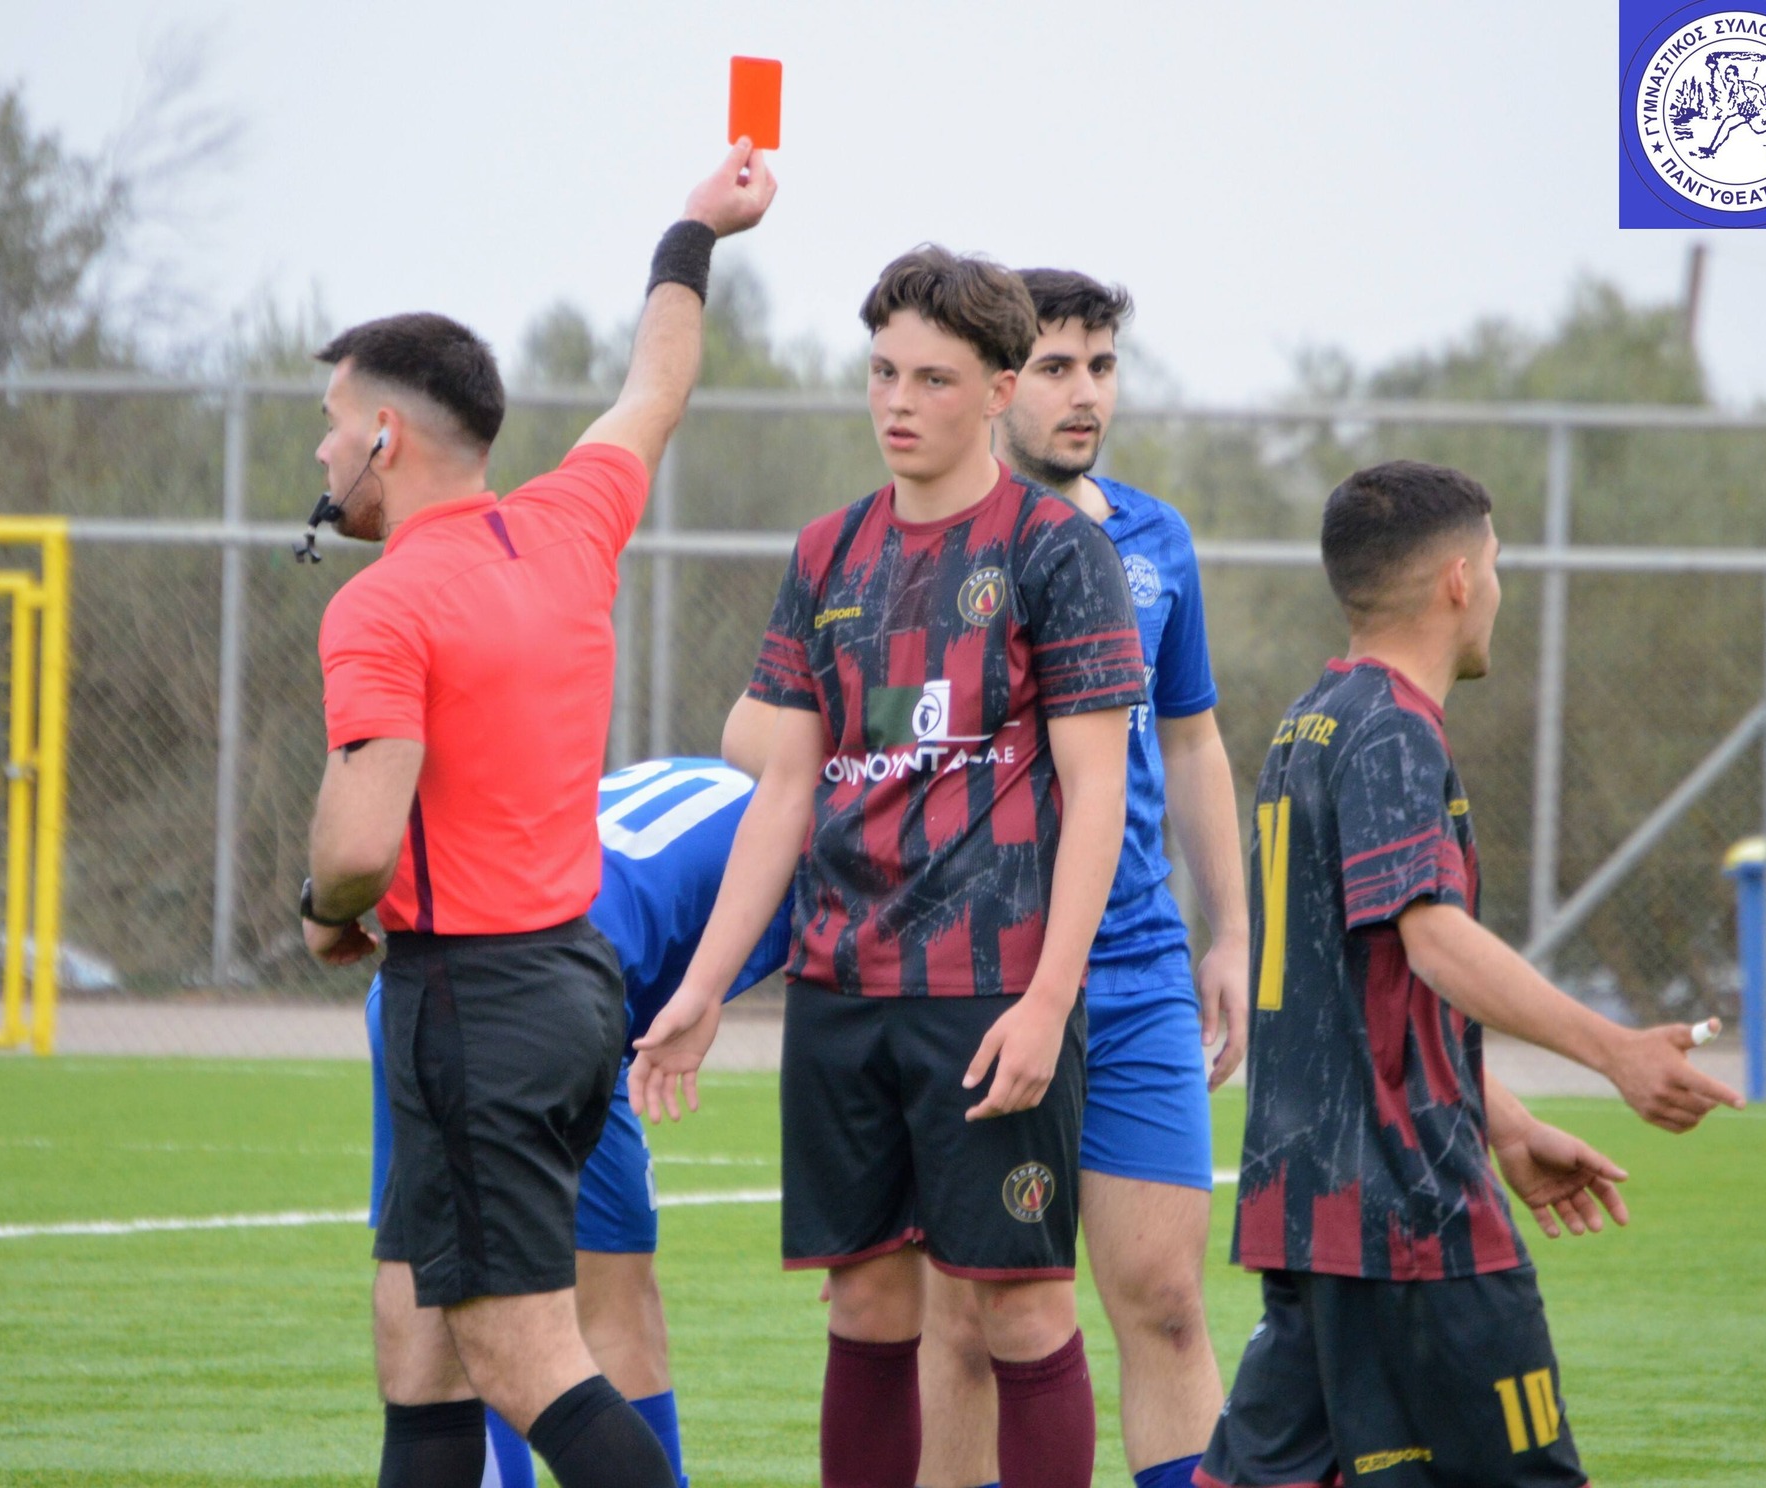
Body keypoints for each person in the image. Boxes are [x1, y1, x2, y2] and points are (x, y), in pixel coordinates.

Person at [298, 141, 775, 1488]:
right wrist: (693, 233)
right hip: (570, 981)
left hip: (475, 1000)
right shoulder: (567, 523)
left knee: (522, 1354)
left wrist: (325, 910)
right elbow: (656, 387)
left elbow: (356, 849)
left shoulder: (382, 603)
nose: (322, 449)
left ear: (385, 438)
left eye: (332, 422)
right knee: (416, 1337)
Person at [632, 246, 1147, 1488]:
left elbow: (1097, 795)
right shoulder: (826, 552)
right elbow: (785, 788)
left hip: (990, 993)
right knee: (863, 1303)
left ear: (997, 389)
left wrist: (1047, 1002)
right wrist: (701, 990)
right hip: (839, 991)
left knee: (1022, 1307)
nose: (896, 402)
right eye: (880, 373)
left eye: (930, 378)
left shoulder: (1054, 551)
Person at [1198, 460, 1746, 1488]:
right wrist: (1614, 1050)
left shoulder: (1310, 720)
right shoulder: (1394, 734)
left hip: (1309, 1210)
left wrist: (1508, 1124)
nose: (1497, 587)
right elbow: (1434, 943)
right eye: (1494, 564)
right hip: (1411, 1214)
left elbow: (1358, 997)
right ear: (1458, 580)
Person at [914, 269, 1246, 1488]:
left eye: (1101, 367)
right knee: (970, 1320)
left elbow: (1192, 740)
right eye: (1056, 368)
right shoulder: (926, 544)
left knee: (1164, 1301)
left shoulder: (1156, 541)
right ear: (1000, 385)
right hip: (977, 975)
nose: (1084, 393)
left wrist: (1230, 932)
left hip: (1137, 967)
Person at [365, 757, 794, 1488]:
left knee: (541, 1292)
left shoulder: (734, 780)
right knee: (500, 1320)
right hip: (527, 1003)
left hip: (458, 982)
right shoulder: (837, 840)